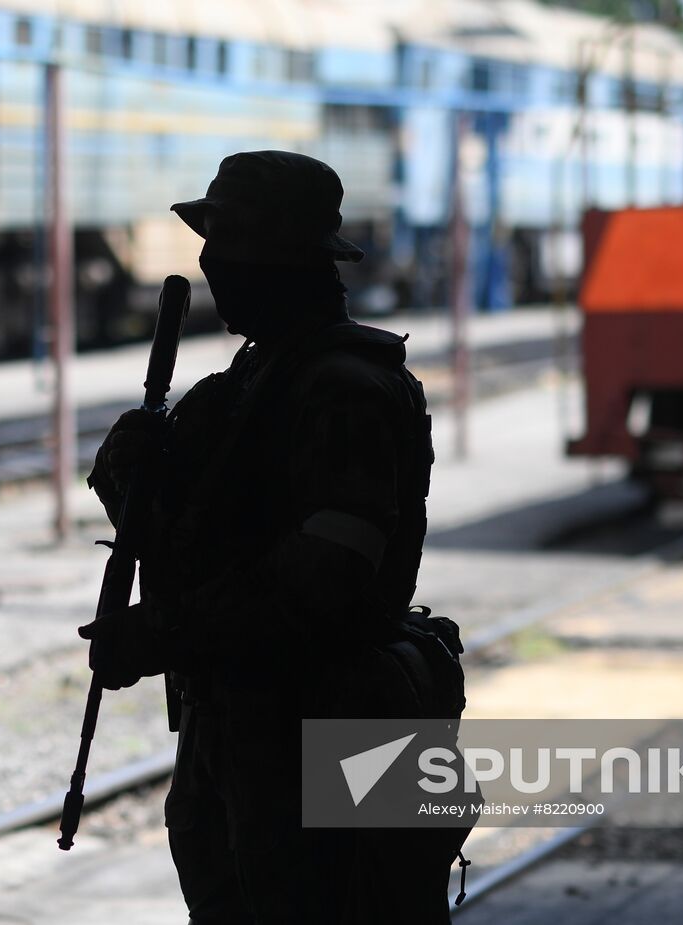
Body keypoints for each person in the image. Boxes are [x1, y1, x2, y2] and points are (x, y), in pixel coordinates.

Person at [80, 151, 468, 923]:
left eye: (227, 244)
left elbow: (326, 577)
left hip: (335, 741)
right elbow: (189, 543)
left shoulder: (344, 392)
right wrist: (130, 480)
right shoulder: (249, 386)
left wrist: (163, 631)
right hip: (252, 741)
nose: (207, 262)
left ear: (282, 260)